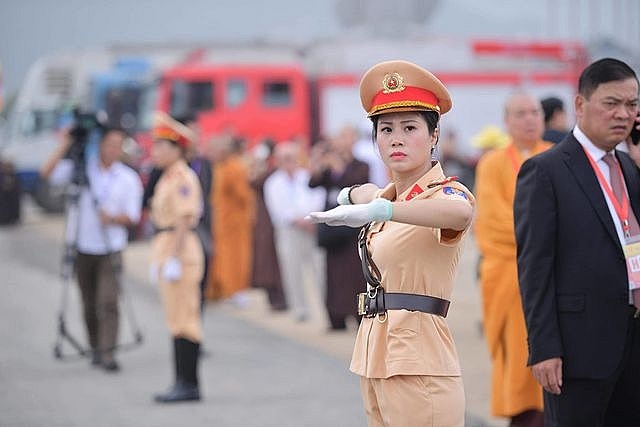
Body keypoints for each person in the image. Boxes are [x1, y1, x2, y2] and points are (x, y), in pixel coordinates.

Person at [308, 60, 475, 426]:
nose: (396, 138)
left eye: (410, 127)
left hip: (420, 359)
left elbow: (459, 214)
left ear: (433, 136)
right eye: (386, 129)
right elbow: (371, 192)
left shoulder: (445, 193)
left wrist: (383, 209)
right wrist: (352, 195)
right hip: (377, 353)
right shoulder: (387, 195)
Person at [514, 57, 640, 426]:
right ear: (581, 105)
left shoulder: (630, 168)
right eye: (611, 103)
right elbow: (534, 269)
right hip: (578, 350)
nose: (623, 114)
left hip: (632, 342)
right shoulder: (546, 171)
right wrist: (543, 349)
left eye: (632, 105)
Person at [474, 92, 551, 427]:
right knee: (518, 359)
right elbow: (491, 223)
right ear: (507, 121)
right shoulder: (491, 164)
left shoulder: (556, 156)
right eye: (521, 113)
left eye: (535, 112)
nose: (530, 119)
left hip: (552, 274)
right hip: (509, 274)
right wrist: (545, 236)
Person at [40, 126, 143, 372]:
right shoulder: (82, 170)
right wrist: (66, 143)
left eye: (118, 145)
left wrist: (114, 219)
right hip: (81, 246)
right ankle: (95, 347)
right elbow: (46, 173)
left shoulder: (128, 178)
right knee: (88, 302)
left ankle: (108, 353)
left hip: (110, 248)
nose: (112, 149)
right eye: (109, 143)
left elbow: (134, 216)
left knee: (108, 301)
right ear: (100, 144)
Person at [148, 112, 204, 403]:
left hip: (179, 250)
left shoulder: (182, 176)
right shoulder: (168, 175)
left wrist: (172, 257)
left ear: (176, 148)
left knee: (185, 319)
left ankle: (189, 384)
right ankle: (181, 381)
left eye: (161, 146)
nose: (155, 151)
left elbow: (184, 218)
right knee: (176, 318)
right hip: (169, 244)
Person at [309, 126, 369, 330]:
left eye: (346, 136)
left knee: (355, 273)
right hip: (332, 228)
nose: (341, 141)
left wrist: (339, 169)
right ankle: (336, 318)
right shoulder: (329, 163)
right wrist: (318, 163)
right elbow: (313, 183)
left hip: (352, 228)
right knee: (332, 274)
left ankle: (358, 314)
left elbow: (356, 186)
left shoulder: (361, 165)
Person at [264, 141, 325, 322]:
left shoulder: (307, 176)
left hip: (312, 227)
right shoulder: (273, 183)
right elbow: (277, 210)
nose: (288, 162)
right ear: (278, 161)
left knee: (319, 268)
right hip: (289, 230)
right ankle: (300, 308)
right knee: (292, 270)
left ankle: (324, 306)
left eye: (291, 158)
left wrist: (310, 219)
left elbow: (318, 197)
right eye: (284, 158)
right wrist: (298, 220)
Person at [205, 133, 255, 307]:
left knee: (237, 258)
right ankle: (222, 290)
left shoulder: (235, 167)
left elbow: (243, 196)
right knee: (222, 257)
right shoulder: (219, 167)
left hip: (236, 223)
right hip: (221, 221)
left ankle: (236, 290)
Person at [248, 139, 288, 311]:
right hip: (265, 220)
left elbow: (254, 181)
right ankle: (274, 297)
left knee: (275, 261)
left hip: (273, 221)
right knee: (267, 260)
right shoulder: (270, 172)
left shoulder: (274, 174)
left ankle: (281, 298)